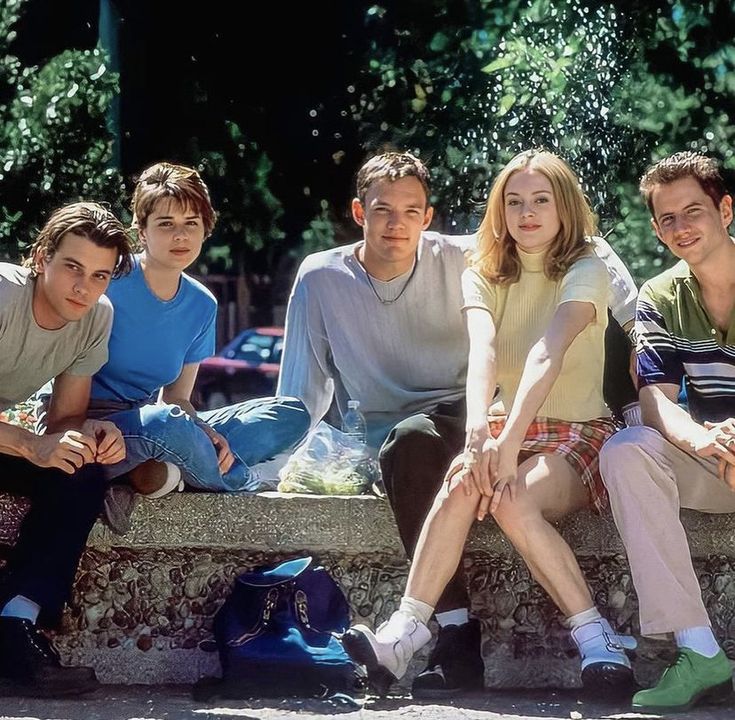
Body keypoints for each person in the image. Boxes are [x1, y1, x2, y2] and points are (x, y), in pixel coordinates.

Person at [279, 150, 639, 697]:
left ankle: (596, 638)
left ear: (564, 206)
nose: (527, 213)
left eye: (542, 200)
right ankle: (402, 634)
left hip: (575, 430)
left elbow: (548, 352)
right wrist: (477, 436)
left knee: (512, 498)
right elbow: (483, 352)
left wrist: (504, 440)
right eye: (513, 201)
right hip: (506, 422)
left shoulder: (585, 267)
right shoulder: (487, 271)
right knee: (463, 481)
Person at [81, 162, 310, 497]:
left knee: (290, 414)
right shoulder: (108, 280)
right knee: (165, 424)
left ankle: (175, 470)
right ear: (142, 231)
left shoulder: (202, 303)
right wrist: (180, 426)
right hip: (98, 427)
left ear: (206, 229)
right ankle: (231, 480)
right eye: (166, 224)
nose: (181, 235)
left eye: (191, 223)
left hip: (158, 419)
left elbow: (179, 399)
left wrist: (202, 429)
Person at [600, 151, 735, 713]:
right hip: (717, 458)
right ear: (656, 228)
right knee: (627, 450)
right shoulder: (659, 296)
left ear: (725, 210)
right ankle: (699, 650)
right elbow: (654, 396)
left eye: (694, 211)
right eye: (668, 218)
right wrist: (702, 440)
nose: (682, 227)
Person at [0, 202, 133, 696]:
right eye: (72, 267)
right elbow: (35, 442)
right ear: (41, 257)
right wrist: (31, 445)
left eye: (99, 276)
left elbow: (64, 420)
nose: (84, 287)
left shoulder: (95, 316)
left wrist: (92, 434)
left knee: (80, 469)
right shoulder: (3, 294)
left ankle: (17, 624)